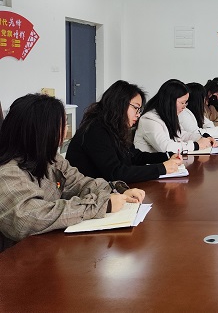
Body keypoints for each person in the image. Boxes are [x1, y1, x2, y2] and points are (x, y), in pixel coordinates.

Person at [0, 94, 145, 250]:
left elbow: (80, 183)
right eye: (62, 124)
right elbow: (28, 219)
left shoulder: (51, 159)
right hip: (18, 257)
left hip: (48, 247)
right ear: (43, 130)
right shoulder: (7, 173)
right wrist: (102, 204)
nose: (66, 130)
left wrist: (117, 190)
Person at [67, 80, 183, 183]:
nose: (138, 114)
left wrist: (166, 156)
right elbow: (116, 173)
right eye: (136, 108)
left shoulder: (115, 127)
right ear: (119, 104)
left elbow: (135, 156)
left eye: (139, 110)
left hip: (106, 190)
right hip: (88, 195)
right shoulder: (96, 130)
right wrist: (162, 168)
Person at [134, 79, 215, 153]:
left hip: (169, 162)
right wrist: (196, 145)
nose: (184, 107)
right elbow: (166, 147)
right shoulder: (149, 120)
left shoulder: (167, 115)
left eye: (186, 102)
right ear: (170, 101)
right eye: (182, 103)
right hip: (152, 163)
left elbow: (181, 135)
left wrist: (202, 138)